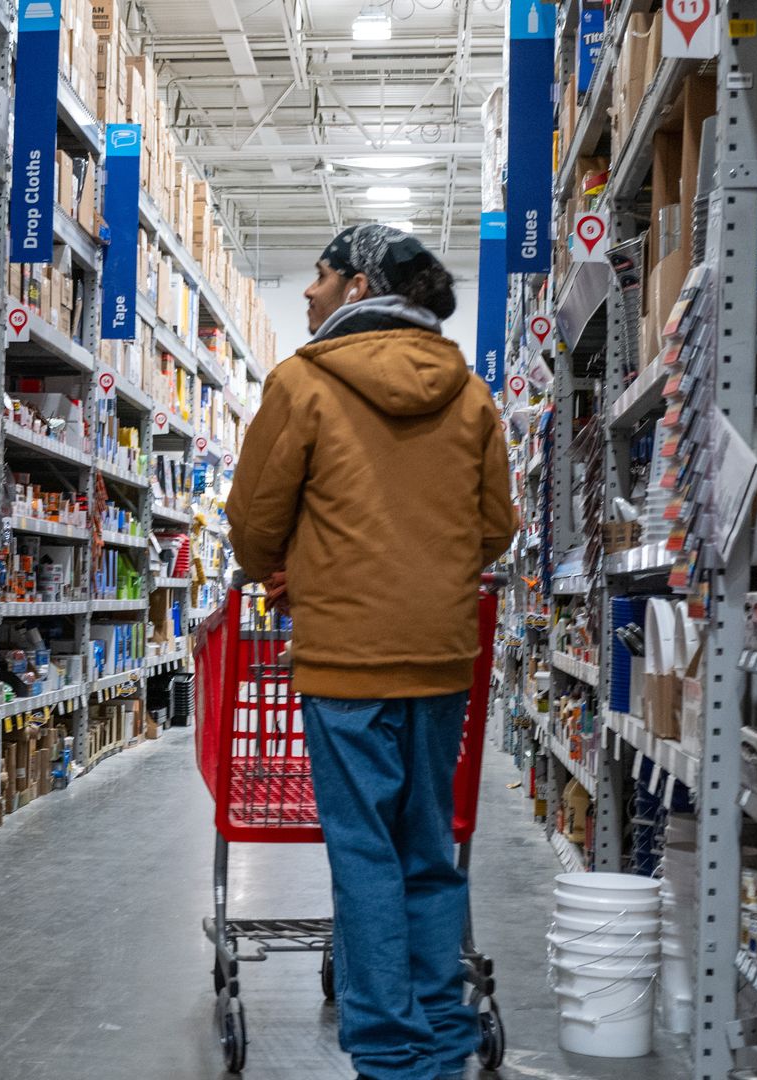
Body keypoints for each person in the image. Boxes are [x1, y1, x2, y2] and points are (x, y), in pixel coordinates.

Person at [224, 224, 517, 1080]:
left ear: (357, 287)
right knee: (426, 850)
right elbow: (496, 527)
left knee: (364, 856)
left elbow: (254, 523)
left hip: (344, 659)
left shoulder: (302, 384)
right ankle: (438, 1034)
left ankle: (392, 1057)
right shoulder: (471, 395)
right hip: (438, 657)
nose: (308, 294)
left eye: (318, 277)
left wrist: (290, 573)